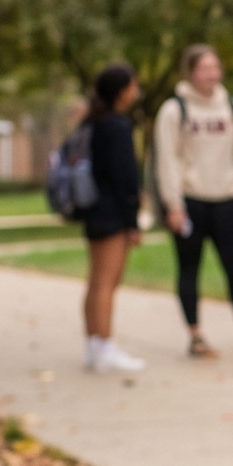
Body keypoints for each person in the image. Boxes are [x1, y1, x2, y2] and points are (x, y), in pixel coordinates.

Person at [153, 45, 233, 359]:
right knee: (190, 269)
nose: (212, 75)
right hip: (191, 201)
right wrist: (173, 203)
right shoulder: (174, 110)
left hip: (227, 200)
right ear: (190, 73)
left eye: (215, 67)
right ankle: (195, 335)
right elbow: (167, 160)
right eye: (205, 69)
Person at [75, 63, 147, 373]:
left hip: (93, 210)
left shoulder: (92, 124)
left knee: (95, 282)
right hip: (112, 215)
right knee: (107, 283)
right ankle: (104, 346)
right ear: (122, 91)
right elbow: (125, 177)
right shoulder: (117, 127)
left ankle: (95, 345)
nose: (137, 92)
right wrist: (132, 220)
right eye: (134, 86)